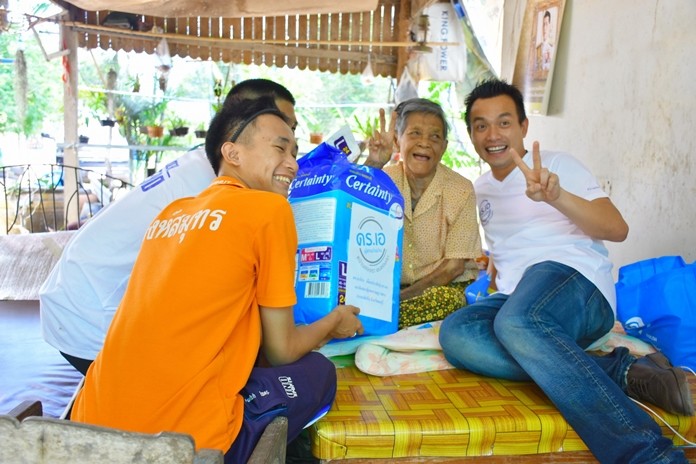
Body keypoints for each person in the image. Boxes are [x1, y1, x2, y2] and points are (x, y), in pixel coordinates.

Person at [71, 96, 364, 463]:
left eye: (295, 151)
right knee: (318, 370)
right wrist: (335, 320)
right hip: (183, 445)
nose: (292, 163)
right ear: (233, 153)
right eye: (280, 147)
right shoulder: (269, 209)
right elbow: (282, 349)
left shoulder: (171, 214)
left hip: (87, 427)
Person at [439, 78, 693, 463]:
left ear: (524, 127)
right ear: (472, 135)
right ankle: (620, 372)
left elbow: (617, 229)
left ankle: (649, 454)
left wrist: (556, 196)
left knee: (517, 322)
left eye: (504, 122)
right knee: (458, 334)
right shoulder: (481, 188)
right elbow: (506, 254)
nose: (493, 134)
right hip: (519, 300)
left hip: (578, 285)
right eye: (481, 125)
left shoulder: (557, 165)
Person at [39, 79, 298, 375]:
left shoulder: (208, 165)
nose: (288, 139)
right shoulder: (219, 189)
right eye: (280, 135)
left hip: (77, 291)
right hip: (91, 311)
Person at [364, 98, 482, 329]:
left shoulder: (461, 189)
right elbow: (348, 210)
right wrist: (374, 164)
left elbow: (453, 268)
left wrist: (398, 300)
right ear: (398, 141)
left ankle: (371, 321)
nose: (425, 143)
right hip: (386, 286)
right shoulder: (382, 179)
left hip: (440, 287)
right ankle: (376, 318)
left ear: (444, 147)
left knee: (448, 302)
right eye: (415, 133)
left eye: (435, 136)